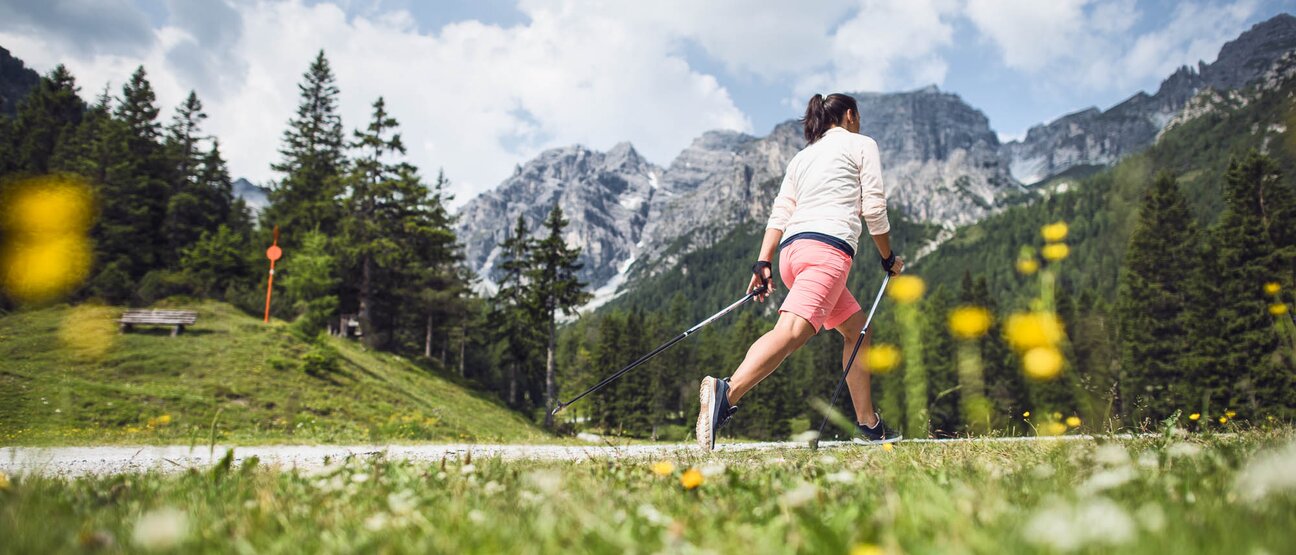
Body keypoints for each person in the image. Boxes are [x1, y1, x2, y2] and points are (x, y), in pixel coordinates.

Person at [696, 93, 905, 452]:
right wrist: (888, 257)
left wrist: (763, 262)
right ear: (851, 116)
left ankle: (869, 425)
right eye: (859, 116)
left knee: (857, 330)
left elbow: (781, 211)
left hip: (792, 253)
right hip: (827, 251)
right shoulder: (861, 144)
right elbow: (873, 206)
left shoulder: (802, 157)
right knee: (792, 331)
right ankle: (727, 392)